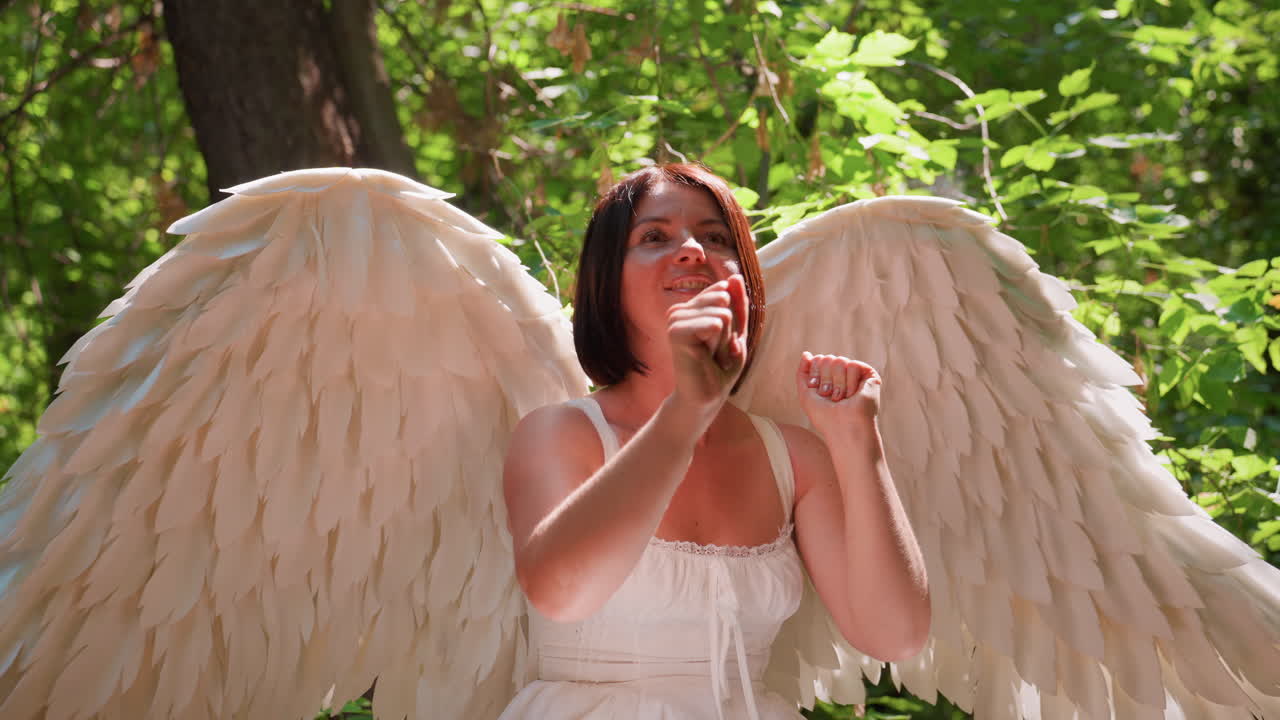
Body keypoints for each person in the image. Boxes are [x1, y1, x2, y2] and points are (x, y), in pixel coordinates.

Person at [499, 163, 930, 719]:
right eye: (654, 237)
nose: (692, 250)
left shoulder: (794, 458)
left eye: (716, 237)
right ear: (608, 281)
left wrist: (857, 443)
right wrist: (688, 411)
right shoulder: (561, 433)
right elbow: (560, 594)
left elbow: (895, 636)